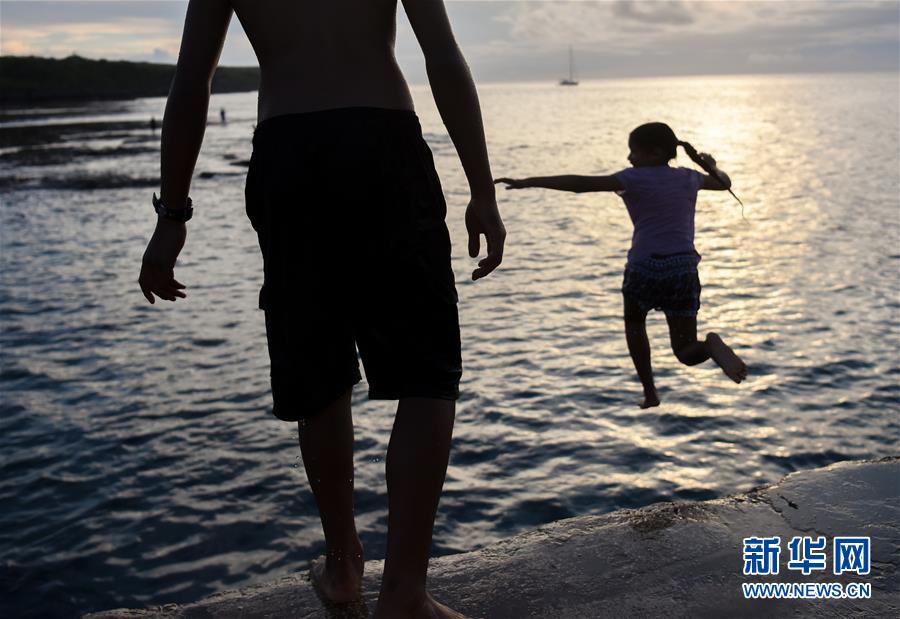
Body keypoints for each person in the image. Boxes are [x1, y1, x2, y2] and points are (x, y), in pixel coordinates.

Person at [137, 1, 505, 618]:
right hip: (383, 140)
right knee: (426, 370)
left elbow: (191, 83)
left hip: (289, 151)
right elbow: (441, 55)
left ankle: (343, 565)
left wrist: (172, 217)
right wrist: (482, 189)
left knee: (317, 367)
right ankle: (405, 592)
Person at [495, 122, 746, 409]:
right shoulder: (690, 178)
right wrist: (710, 165)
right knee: (686, 349)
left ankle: (650, 391)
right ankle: (710, 345)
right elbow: (724, 182)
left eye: (634, 152)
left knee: (635, 325)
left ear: (654, 153)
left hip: (644, 268)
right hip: (683, 269)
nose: (629, 158)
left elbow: (582, 185)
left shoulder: (633, 178)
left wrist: (530, 181)